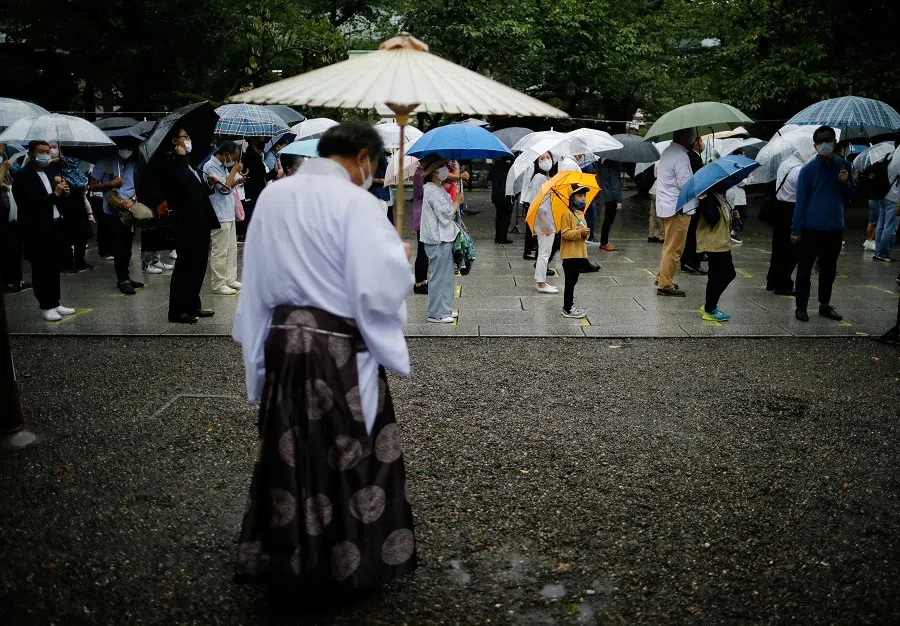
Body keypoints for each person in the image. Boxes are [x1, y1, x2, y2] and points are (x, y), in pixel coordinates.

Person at [232, 122, 417, 595]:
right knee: (351, 446)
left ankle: (287, 557)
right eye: (374, 166)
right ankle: (345, 561)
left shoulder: (273, 196)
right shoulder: (358, 204)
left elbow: (253, 277)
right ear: (362, 157)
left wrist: (256, 355)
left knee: (289, 447)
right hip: (335, 347)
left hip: (282, 340)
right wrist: (399, 262)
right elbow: (375, 291)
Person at [792, 126, 856, 322]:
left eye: (828, 140)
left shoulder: (844, 166)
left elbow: (851, 196)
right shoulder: (808, 170)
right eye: (821, 142)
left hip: (834, 227)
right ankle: (801, 306)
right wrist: (796, 229)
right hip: (811, 227)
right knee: (804, 269)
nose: (825, 145)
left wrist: (845, 182)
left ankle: (824, 304)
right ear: (815, 146)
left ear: (835, 143)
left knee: (829, 268)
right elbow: (800, 201)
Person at [11, 140, 77, 321]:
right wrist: (54, 194)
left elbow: (56, 200)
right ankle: (46, 305)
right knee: (41, 268)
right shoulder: (25, 176)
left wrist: (64, 192)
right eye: (41, 152)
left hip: (54, 225)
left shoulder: (48, 173)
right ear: (31, 154)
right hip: (37, 230)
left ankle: (55, 301)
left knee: (54, 267)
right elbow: (30, 203)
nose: (46, 155)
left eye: (48, 151)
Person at [160, 128, 220, 323]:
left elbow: (196, 190)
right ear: (175, 141)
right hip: (185, 222)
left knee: (199, 265)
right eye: (185, 137)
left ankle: (193, 305)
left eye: (188, 136)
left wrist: (209, 184)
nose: (188, 140)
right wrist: (179, 158)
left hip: (200, 221)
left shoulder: (190, 162)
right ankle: (177, 311)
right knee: (185, 266)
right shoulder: (171, 163)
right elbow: (179, 186)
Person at [90, 137, 147, 294]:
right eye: (123, 147)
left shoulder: (136, 163)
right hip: (112, 211)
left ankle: (126, 277)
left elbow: (141, 185)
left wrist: (132, 199)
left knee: (128, 246)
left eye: (129, 148)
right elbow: (92, 186)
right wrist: (111, 185)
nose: (126, 151)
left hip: (131, 210)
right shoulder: (104, 163)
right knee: (119, 246)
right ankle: (122, 280)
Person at [654, 129, 698, 297]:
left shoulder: (668, 151)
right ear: (684, 137)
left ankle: (662, 277)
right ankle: (665, 285)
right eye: (690, 135)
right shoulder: (681, 156)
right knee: (674, 248)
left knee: (668, 245)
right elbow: (685, 184)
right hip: (678, 208)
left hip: (667, 206)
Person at [421, 158, 461, 323]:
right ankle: (436, 313)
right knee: (439, 276)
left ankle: (444, 308)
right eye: (442, 167)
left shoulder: (438, 189)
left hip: (444, 237)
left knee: (446, 275)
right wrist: (457, 203)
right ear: (434, 171)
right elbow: (445, 214)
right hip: (437, 238)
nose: (446, 169)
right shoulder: (431, 190)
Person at [203, 141, 243, 295]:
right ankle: (218, 283)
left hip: (228, 212)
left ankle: (230, 278)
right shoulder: (210, 166)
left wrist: (236, 181)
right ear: (226, 154)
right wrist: (233, 171)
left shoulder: (222, 167)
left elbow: (228, 185)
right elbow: (223, 188)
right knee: (220, 250)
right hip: (219, 213)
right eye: (233, 157)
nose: (234, 160)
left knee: (231, 249)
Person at [46, 142, 94, 274]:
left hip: (78, 198)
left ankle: (80, 261)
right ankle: (67, 263)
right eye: (49, 148)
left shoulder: (72, 161)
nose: (52, 150)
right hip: (64, 202)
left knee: (82, 232)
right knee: (67, 233)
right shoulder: (50, 165)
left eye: (54, 147)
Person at [696, 183, 740, 321]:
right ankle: (710, 307)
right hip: (714, 242)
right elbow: (712, 218)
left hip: (720, 241)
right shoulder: (707, 196)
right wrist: (714, 208)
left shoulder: (718, 196)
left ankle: (709, 305)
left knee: (715, 275)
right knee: (728, 273)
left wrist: (731, 215)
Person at [765, 153, 805, 295]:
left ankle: (772, 280)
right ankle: (783, 284)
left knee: (778, 248)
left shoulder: (785, 163)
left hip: (780, 207)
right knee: (791, 250)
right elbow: (803, 191)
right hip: (791, 209)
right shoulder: (799, 169)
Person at [526, 152, 560, 294]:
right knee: (544, 253)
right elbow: (535, 201)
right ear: (537, 162)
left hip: (549, 219)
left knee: (545, 252)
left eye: (548, 157)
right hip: (543, 220)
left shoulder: (548, 177)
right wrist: (544, 220)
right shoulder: (539, 178)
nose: (546, 160)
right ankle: (541, 283)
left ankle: (542, 281)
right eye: (542, 158)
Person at [559, 184, 591, 318]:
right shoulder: (567, 214)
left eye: (584, 196)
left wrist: (586, 233)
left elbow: (584, 233)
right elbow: (565, 234)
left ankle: (570, 305)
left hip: (579, 253)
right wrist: (579, 233)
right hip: (570, 254)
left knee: (574, 280)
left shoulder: (579, 214)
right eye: (579, 196)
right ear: (572, 198)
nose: (583, 198)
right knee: (570, 282)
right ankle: (567, 307)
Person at [412, 156, 443, 295]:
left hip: (423, 215)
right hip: (421, 217)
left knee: (424, 251)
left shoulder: (421, 173)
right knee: (422, 251)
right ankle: (419, 282)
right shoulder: (420, 173)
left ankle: (423, 281)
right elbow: (423, 194)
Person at [1, 157, 30, 292]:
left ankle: (16, 279)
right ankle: (10, 281)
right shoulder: (3, 166)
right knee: (8, 247)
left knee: (16, 247)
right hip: (3, 214)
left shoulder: (6, 163)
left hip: (11, 211)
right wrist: (3, 168)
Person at [680, 136, 708, 275]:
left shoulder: (695, 157)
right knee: (693, 232)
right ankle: (691, 260)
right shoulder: (692, 157)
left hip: (694, 201)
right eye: (701, 141)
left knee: (692, 231)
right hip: (695, 200)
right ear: (696, 143)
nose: (703, 144)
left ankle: (688, 259)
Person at [862, 154, 896, 262]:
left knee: (880, 224)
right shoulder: (894, 161)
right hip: (892, 197)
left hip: (881, 196)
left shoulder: (882, 163)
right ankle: (882, 252)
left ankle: (877, 252)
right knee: (889, 226)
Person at [597, 159, 623, 251]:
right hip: (612, 197)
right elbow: (615, 183)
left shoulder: (604, 163)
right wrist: (618, 200)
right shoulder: (613, 164)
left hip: (606, 195)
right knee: (608, 220)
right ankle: (604, 242)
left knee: (607, 220)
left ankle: (604, 241)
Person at [725, 149, 748, 244]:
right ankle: (732, 232)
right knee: (738, 214)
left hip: (737, 196)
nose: (745, 156)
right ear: (739, 155)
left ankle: (731, 232)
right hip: (735, 195)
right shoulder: (736, 165)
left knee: (737, 214)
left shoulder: (737, 165)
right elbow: (741, 182)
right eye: (744, 154)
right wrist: (747, 178)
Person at [491, 156, 514, 244]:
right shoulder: (509, 167)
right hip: (506, 195)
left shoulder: (495, 167)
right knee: (506, 217)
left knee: (499, 216)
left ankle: (498, 236)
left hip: (496, 196)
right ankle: (503, 237)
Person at [647, 162, 665, 243]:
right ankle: (661, 235)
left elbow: (655, 175)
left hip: (653, 189)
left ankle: (652, 234)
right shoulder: (668, 161)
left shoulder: (657, 161)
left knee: (653, 214)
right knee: (661, 214)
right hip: (661, 190)